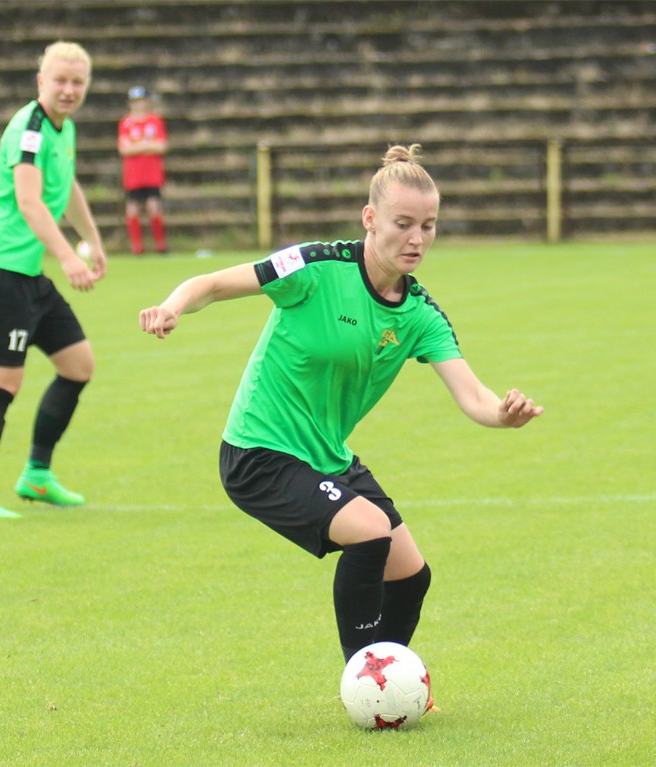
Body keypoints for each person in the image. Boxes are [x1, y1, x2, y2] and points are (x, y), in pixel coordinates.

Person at [140, 144, 543, 667]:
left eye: (428, 226)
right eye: (403, 224)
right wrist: (172, 307)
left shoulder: (420, 314)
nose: (417, 239)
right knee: (371, 533)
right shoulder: (314, 266)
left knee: (411, 576)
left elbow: (474, 395)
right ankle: (365, 676)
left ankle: (388, 688)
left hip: (325, 456)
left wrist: (503, 415)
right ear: (370, 219)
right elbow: (213, 284)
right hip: (259, 453)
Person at [0, 41, 107, 520]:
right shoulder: (30, 128)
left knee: (78, 364)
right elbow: (29, 200)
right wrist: (67, 256)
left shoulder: (64, 127)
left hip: (30, 274)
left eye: (78, 82)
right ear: (41, 81)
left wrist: (92, 239)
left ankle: (36, 475)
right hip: (2, 270)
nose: (69, 90)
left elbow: (67, 185)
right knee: (2, 382)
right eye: (60, 80)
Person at [117, 85, 168, 255]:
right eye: (135, 101)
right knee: (133, 208)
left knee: (154, 207)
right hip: (133, 176)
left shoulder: (155, 121)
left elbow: (161, 146)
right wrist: (147, 145)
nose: (138, 104)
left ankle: (160, 244)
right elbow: (124, 149)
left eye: (141, 101)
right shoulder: (126, 123)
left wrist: (137, 146)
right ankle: (137, 246)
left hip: (152, 174)